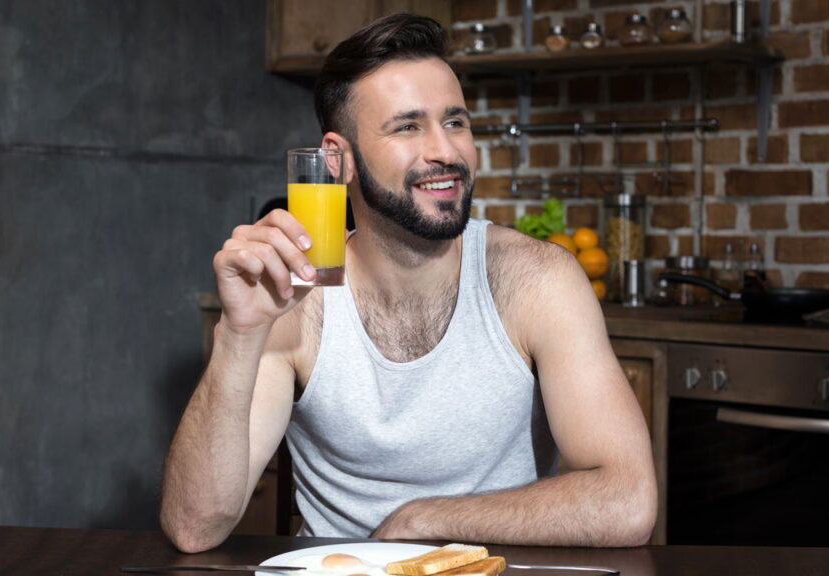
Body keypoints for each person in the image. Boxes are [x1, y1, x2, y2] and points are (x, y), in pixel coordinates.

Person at [159, 12, 656, 553]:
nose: (446, 151)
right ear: (338, 159)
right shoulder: (296, 297)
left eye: (455, 122)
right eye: (407, 127)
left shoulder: (537, 279)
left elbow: (627, 501)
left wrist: (423, 521)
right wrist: (240, 334)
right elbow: (194, 527)